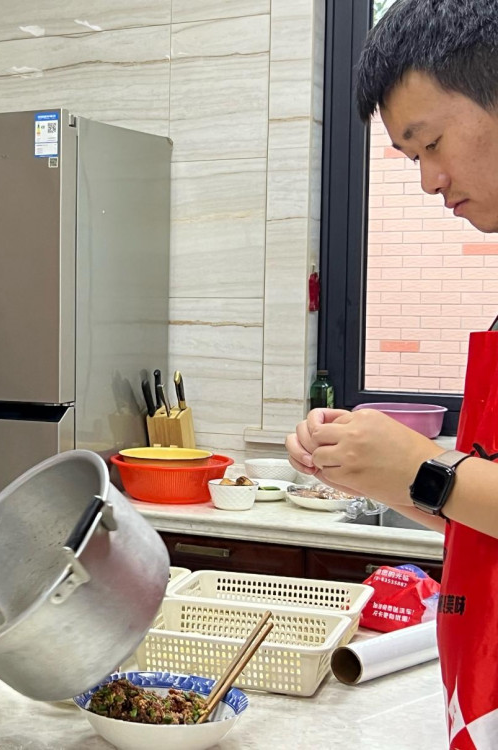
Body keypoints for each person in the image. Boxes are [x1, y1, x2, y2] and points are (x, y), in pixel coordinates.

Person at [286, 1, 498, 745]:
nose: (430, 183)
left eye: (431, 142)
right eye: (412, 161)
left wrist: (427, 470)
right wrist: (378, 474)